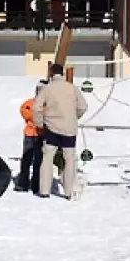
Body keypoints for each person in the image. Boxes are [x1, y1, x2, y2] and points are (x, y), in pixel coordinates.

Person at [32, 64, 88, 200]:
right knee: (69, 160)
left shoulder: (47, 89)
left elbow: (36, 108)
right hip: (69, 128)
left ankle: (44, 190)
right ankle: (68, 191)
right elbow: (83, 106)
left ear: (51, 74)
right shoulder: (72, 88)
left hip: (51, 127)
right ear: (62, 73)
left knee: (47, 158)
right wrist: (74, 117)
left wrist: (40, 123)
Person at [14, 80, 46, 192]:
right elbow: (23, 110)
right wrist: (32, 117)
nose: (40, 92)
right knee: (26, 159)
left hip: (41, 135)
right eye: (38, 89)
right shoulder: (30, 102)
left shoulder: (47, 104)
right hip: (29, 134)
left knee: (38, 160)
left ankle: (36, 184)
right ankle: (23, 183)